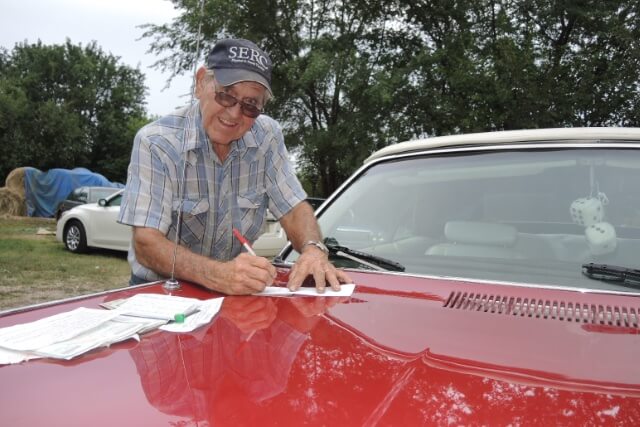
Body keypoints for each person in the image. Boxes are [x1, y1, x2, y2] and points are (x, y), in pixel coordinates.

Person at [118, 38, 351, 294]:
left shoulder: (267, 136)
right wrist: (217, 274)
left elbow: (293, 208)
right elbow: (146, 244)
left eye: (251, 105)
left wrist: (312, 249)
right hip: (161, 291)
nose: (234, 114)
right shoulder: (157, 142)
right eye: (226, 95)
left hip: (233, 292)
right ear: (200, 83)